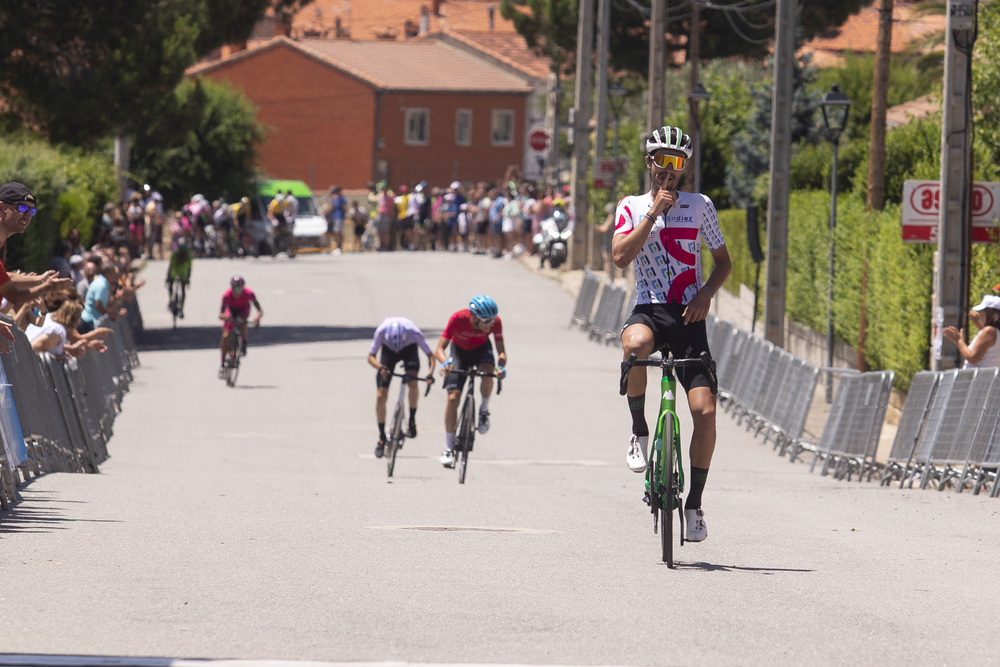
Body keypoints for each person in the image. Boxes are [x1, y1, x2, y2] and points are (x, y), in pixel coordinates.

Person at [612, 125, 732, 543]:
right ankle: (640, 431)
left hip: (689, 316)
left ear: (684, 167)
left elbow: (722, 262)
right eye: (661, 161)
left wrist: (705, 295)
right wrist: (652, 214)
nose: (668, 170)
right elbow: (620, 257)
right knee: (635, 347)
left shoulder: (701, 206)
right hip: (649, 308)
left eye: (676, 163)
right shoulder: (630, 205)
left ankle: (695, 504)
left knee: (705, 412)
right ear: (649, 163)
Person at [433, 295, 507, 468]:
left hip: (482, 350)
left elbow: (501, 352)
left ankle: (483, 410)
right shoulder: (458, 319)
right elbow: (439, 349)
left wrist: (501, 367)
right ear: (474, 317)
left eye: (493, 320)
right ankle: (448, 447)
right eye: (487, 321)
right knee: (453, 398)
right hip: (459, 353)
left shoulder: (495, 322)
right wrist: (445, 362)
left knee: (488, 372)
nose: (490, 324)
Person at [366, 317, 436, 458]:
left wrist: (429, 374)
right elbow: (370, 356)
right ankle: (381, 437)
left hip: (408, 350)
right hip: (388, 352)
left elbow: (430, 355)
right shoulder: (381, 331)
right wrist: (380, 367)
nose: (397, 352)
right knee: (381, 395)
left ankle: (411, 420)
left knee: (413, 381)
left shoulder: (414, 332)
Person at [0, 182, 74, 307]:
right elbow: (14, 296)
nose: (28, 216)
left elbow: (3, 278)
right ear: (1, 208)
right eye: (22, 208)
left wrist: (39, 279)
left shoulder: (2, 244)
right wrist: (47, 287)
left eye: (32, 210)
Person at [218, 275, 263, 378]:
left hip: (243, 310)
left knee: (243, 321)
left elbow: (260, 310)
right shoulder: (226, 295)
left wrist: (256, 319)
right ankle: (222, 364)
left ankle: (244, 342)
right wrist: (224, 317)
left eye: (240, 289)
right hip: (231, 311)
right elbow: (220, 313)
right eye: (235, 289)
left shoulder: (249, 294)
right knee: (225, 337)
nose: (237, 292)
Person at [942, 295, 1000, 368]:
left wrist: (958, 340)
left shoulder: (989, 331)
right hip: (987, 377)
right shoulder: (993, 332)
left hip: (977, 378)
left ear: (990, 313)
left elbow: (972, 358)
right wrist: (979, 324)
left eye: (982, 311)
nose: (979, 313)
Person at [166, 240, 193, 318]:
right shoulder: (175, 255)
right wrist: (168, 277)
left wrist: (188, 278)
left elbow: (189, 268)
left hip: (183, 273)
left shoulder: (189, 256)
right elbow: (170, 267)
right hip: (175, 271)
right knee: (170, 284)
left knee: (183, 289)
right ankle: (171, 300)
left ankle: (181, 308)